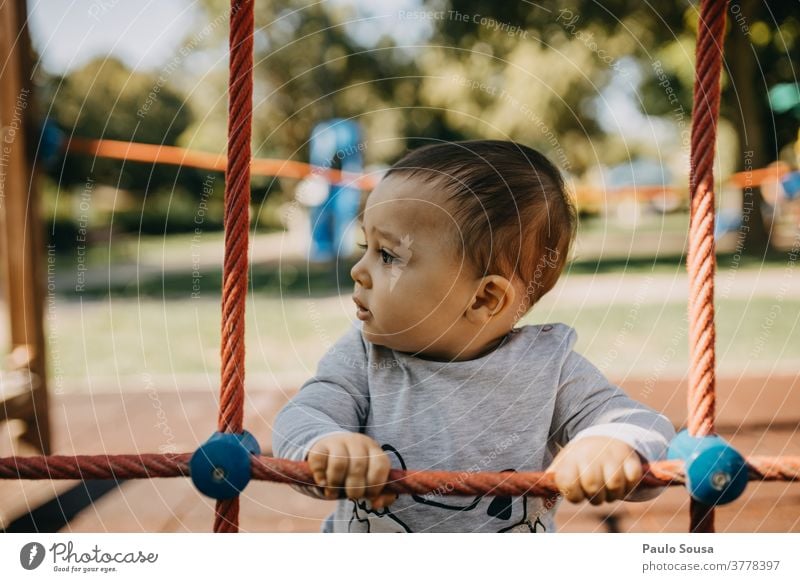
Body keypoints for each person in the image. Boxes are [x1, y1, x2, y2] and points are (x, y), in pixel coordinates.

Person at [272, 140, 675, 532]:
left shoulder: (548, 369)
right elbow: (302, 417)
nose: (358, 270)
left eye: (388, 256)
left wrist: (610, 444)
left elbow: (640, 423)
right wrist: (326, 445)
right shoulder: (364, 357)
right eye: (366, 245)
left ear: (484, 298)